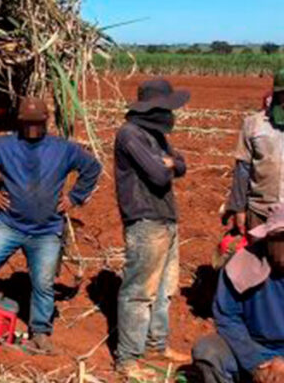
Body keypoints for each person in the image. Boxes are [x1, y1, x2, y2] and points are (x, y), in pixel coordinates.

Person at [0, 96, 101, 355]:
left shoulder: (63, 149)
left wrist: (73, 198)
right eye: (27, 122)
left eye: (37, 122)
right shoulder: (4, 146)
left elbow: (92, 167)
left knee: (43, 284)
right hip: (8, 225)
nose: (32, 128)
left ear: (46, 121)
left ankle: (40, 332)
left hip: (46, 231)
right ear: (19, 121)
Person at [113, 78, 191, 377]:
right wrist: (169, 163)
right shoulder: (130, 134)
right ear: (152, 108)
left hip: (166, 218)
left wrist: (170, 162)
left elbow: (181, 165)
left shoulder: (155, 136)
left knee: (164, 289)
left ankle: (157, 345)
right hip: (145, 221)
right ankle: (128, 359)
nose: (171, 114)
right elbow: (160, 175)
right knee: (139, 292)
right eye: (167, 108)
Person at [192, 205, 284, 383]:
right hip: (255, 348)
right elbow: (227, 317)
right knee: (209, 351)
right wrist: (256, 364)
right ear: (269, 238)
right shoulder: (242, 265)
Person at [224, 69, 284, 234]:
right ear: (277, 94)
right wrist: (238, 209)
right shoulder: (253, 124)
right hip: (260, 211)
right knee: (257, 257)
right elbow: (242, 170)